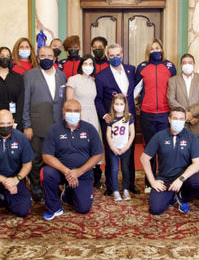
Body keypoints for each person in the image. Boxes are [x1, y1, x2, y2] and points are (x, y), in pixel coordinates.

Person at [41, 100, 104, 219]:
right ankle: (54, 208)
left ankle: (69, 192)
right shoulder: (54, 129)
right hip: (61, 171)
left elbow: (98, 154)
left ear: (80, 113)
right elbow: (46, 156)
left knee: (83, 209)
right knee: (46, 173)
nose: (73, 113)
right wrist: (67, 172)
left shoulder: (89, 129)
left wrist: (79, 172)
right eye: (69, 111)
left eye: (76, 111)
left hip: (83, 173)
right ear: (63, 112)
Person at [140, 107, 199, 215]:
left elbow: (198, 164)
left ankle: (182, 197)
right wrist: (152, 181)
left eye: (181, 119)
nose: (178, 121)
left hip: (185, 178)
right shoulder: (159, 136)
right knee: (155, 209)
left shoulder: (191, 137)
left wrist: (181, 179)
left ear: (185, 120)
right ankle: (172, 196)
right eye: (175, 118)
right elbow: (144, 158)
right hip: (165, 179)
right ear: (169, 119)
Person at [22, 46, 67, 202]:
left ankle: (52, 186)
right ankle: (36, 188)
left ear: (55, 57)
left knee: (56, 157)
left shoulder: (62, 76)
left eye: (49, 55)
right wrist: (27, 125)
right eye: (43, 55)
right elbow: (25, 102)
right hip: (37, 125)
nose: (46, 58)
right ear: (38, 57)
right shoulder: (29, 75)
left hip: (58, 124)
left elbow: (63, 100)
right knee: (37, 159)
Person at [95, 43, 138, 195]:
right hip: (111, 121)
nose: (115, 58)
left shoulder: (131, 70)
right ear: (107, 56)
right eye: (111, 55)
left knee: (129, 153)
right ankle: (111, 186)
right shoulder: (101, 76)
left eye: (118, 55)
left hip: (128, 119)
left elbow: (135, 90)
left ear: (122, 55)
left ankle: (130, 184)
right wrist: (104, 115)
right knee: (110, 153)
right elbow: (98, 99)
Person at [135, 39, 177, 193]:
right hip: (147, 113)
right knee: (150, 148)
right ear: (148, 51)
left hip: (166, 113)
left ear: (162, 49)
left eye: (157, 48)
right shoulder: (142, 67)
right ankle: (149, 182)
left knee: (165, 148)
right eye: (152, 48)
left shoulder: (170, 67)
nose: (155, 51)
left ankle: (165, 178)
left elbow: (175, 87)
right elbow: (135, 90)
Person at [167, 54, 199, 175]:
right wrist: (186, 115)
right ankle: (179, 182)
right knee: (180, 154)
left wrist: (193, 114)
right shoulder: (173, 80)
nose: (187, 65)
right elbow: (171, 100)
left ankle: (197, 184)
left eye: (190, 62)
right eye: (184, 62)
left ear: (194, 64)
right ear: (181, 65)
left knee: (198, 155)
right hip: (179, 124)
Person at [66, 54, 103, 189]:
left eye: (91, 64)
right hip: (78, 116)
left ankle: (96, 174)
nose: (88, 67)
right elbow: (69, 101)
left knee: (94, 144)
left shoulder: (94, 81)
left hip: (93, 115)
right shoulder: (73, 80)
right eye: (85, 63)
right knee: (79, 144)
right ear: (81, 65)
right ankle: (78, 173)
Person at [105, 94, 136, 201]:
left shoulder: (129, 117)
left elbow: (132, 134)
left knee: (125, 169)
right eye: (116, 104)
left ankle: (126, 189)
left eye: (121, 104)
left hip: (125, 148)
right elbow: (108, 135)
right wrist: (112, 147)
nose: (119, 106)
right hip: (113, 148)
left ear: (125, 105)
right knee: (114, 170)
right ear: (113, 105)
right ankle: (115, 191)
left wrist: (127, 147)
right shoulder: (110, 117)